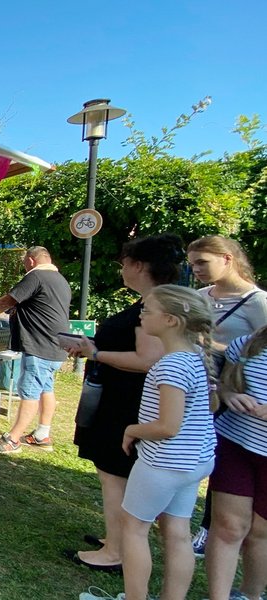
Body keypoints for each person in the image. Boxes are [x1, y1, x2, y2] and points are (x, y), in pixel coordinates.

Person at [82, 285, 216, 600]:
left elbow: (168, 426)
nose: (141, 315)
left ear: (170, 320)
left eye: (148, 310)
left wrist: (132, 430)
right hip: (193, 462)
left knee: (133, 529)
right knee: (178, 534)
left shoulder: (172, 365)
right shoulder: (193, 356)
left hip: (163, 463)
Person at [67, 234, 184, 571]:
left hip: (126, 402)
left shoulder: (156, 304)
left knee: (114, 474)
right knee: (115, 473)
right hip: (124, 397)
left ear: (139, 266)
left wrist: (97, 353)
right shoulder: (155, 301)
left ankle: (116, 551)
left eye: (124, 263)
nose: (121, 270)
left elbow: (148, 359)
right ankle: (114, 537)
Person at [186, 235, 267, 556]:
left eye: (202, 262)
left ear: (228, 258)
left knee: (222, 464)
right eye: (192, 264)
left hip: (235, 400)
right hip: (197, 388)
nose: (196, 270)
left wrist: (212, 347)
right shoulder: (200, 295)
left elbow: (260, 350)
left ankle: (208, 529)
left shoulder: (257, 302)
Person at [0, 246, 71, 454]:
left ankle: (13, 440)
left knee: (30, 392)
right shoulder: (61, 280)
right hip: (56, 346)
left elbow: (8, 301)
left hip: (39, 345)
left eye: (24, 263)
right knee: (46, 389)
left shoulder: (37, 276)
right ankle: (42, 434)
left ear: (31, 261)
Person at [204, 326, 267, 600]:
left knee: (260, 532)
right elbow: (224, 382)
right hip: (235, 444)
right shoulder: (248, 343)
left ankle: (251, 595)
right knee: (228, 526)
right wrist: (228, 395)